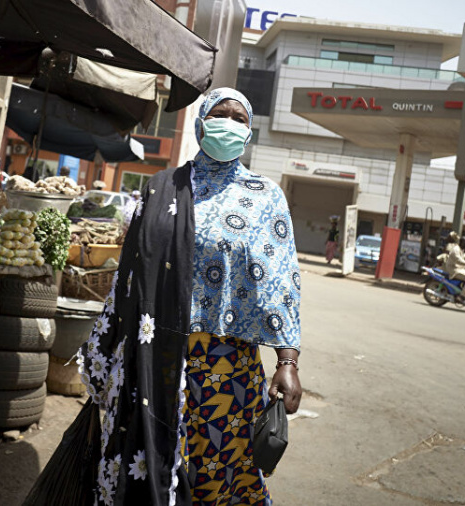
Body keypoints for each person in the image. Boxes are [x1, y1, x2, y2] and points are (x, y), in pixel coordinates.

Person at [76, 88, 301, 505]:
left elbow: (281, 281)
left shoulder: (264, 197)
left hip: (225, 366)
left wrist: (287, 362)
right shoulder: (162, 188)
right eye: (220, 114)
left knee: (217, 475)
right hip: (155, 354)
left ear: (249, 132)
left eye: (240, 118)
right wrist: (105, 351)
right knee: (150, 466)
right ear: (200, 124)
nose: (229, 124)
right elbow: (130, 273)